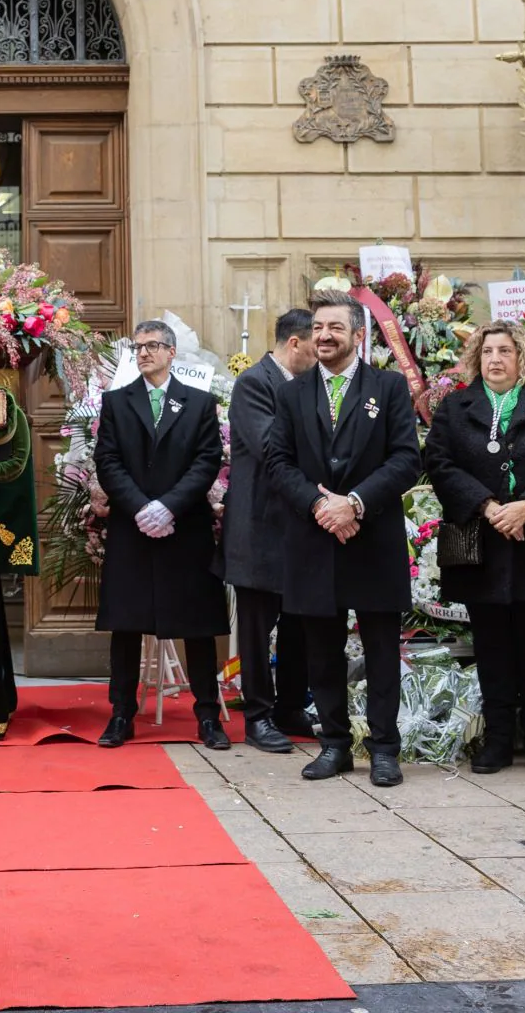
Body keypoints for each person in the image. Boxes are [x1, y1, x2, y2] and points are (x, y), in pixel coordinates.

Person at [265, 292, 423, 787]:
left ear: (359, 335)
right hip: (315, 541)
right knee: (322, 651)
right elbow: (277, 462)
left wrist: (353, 503)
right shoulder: (292, 393)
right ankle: (333, 744)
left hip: (372, 538)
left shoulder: (390, 387)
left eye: (335, 327)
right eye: (318, 327)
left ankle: (383, 749)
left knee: (379, 649)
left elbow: (406, 459)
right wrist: (320, 506)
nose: (325, 335)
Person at [423, 321, 525, 777]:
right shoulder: (457, 406)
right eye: (487, 351)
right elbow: (438, 461)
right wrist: (488, 505)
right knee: (491, 647)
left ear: (522, 358)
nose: (495, 359)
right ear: (477, 357)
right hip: (483, 545)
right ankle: (497, 741)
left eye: (505, 351)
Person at [92, 320, 230, 752]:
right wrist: (141, 507)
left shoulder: (198, 402)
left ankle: (208, 715)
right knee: (127, 624)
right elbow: (108, 461)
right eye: (138, 347)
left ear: (172, 352)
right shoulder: (117, 401)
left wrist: (169, 505)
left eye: (153, 346)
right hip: (132, 528)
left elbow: (207, 461)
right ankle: (121, 714)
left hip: (183, 526)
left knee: (197, 625)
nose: (144, 353)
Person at [220, 308, 316, 753]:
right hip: (259, 527)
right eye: (316, 346)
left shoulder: (308, 384)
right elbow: (267, 447)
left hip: (300, 528)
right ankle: (258, 714)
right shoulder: (255, 383)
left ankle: (291, 706)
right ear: (294, 344)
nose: (322, 355)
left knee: (299, 622)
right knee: (258, 631)